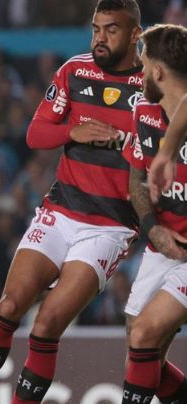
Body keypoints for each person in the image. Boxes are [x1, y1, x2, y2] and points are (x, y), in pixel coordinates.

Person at [0, 1, 144, 402]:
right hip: (60, 211)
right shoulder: (74, 71)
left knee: (47, 323)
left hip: (110, 226)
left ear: (135, 35)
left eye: (111, 30)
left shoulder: (154, 86)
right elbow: (35, 134)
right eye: (96, 28)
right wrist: (73, 132)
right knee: (10, 306)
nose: (99, 37)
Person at [120, 24, 187, 404]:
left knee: (145, 334)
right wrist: (152, 230)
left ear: (158, 72)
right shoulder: (142, 110)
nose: (140, 74)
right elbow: (136, 183)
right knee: (139, 347)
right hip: (163, 245)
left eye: (143, 65)